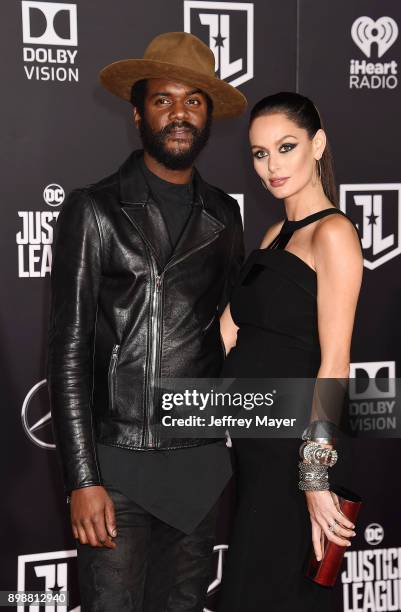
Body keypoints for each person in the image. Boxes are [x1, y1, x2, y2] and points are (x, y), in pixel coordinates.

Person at [47, 32, 246, 612]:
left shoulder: (225, 214)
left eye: (193, 100)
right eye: (163, 100)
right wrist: (83, 478)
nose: (179, 113)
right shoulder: (94, 209)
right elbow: (69, 350)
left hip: (201, 464)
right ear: (138, 112)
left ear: (208, 115)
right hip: (118, 467)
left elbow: (231, 331)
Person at [218, 92, 363, 611]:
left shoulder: (335, 234)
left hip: (295, 450)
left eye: (285, 147)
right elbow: (228, 334)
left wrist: (315, 474)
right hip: (254, 448)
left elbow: (335, 362)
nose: (272, 165)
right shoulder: (276, 233)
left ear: (317, 145)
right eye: (260, 154)